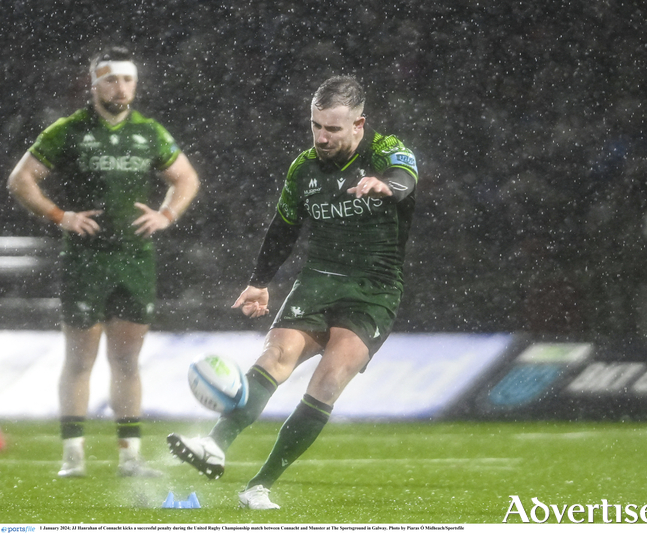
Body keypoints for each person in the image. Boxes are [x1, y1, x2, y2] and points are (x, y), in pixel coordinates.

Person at [168, 75, 418, 509]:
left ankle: (259, 486)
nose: (322, 137)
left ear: (359, 124)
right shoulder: (304, 168)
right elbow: (284, 227)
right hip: (319, 278)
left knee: (328, 380)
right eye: (316, 126)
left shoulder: (385, 151)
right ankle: (214, 445)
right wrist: (259, 281)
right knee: (275, 356)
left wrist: (387, 186)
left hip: (374, 288)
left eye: (333, 129)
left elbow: (405, 174)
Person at [8, 46, 200, 478]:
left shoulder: (149, 133)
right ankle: (72, 458)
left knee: (127, 362)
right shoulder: (69, 131)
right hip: (85, 259)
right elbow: (20, 180)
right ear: (93, 83)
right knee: (80, 361)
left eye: (128, 79)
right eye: (112, 79)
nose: (121, 87)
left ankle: (130, 458)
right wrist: (61, 216)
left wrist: (166, 214)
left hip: (135, 259)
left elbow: (186, 178)